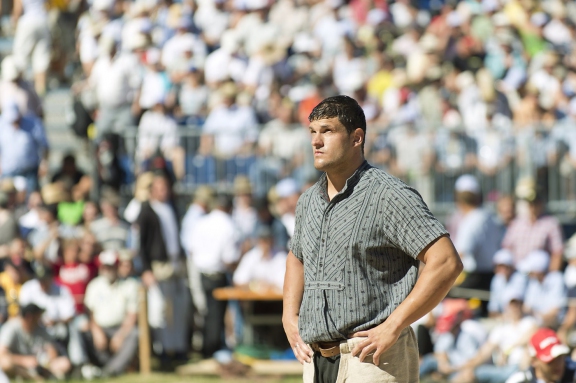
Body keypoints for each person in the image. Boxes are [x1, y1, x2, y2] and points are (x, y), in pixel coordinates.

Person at [283, 95, 463, 382]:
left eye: (327, 131)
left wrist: (393, 326)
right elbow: (296, 257)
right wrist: (289, 318)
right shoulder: (308, 200)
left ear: (357, 138)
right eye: (313, 132)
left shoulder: (388, 194)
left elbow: (446, 261)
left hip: (373, 358)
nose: (316, 142)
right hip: (316, 360)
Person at [137, 173, 189, 361]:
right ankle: (165, 350)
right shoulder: (146, 211)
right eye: (159, 188)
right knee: (163, 310)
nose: (163, 191)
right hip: (159, 265)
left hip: (176, 263)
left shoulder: (171, 208)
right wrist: (145, 269)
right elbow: (141, 245)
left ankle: (179, 347)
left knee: (179, 307)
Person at [189, 193, 240, 359]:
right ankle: (210, 350)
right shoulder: (229, 226)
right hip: (217, 274)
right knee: (215, 315)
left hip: (199, 273)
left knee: (205, 312)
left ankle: (207, 348)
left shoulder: (201, 222)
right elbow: (229, 259)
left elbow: (192, 248)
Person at [83, 250, 139, 377]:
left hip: (120, 327)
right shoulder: (94, 285)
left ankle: (110, 370)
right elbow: (89, 313)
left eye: (110, 266)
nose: (107, 270)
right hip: (100, 327)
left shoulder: (129, 285)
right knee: (85, 333)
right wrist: (96, 331)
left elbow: (132, 315)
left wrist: (121, 334)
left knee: (135, 333)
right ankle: (106, 368)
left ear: (117, 266)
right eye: (104, 266)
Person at [452, 174, 503, 291]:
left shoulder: (471, 220)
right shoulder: (489, 216)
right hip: (491, 274)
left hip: (475, 276)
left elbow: (461, 253)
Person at [502, 180, 564, 271]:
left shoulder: (551, 223)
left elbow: (557, 252)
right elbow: (507, 248)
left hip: (540, 274)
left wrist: (552, 274)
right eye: (530, 203)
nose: (532, 206)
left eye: (535, 202)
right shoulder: (516, 223)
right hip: (517, 271)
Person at [0, 303, 71, 380]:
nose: (40, 317)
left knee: (65, 363)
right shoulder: (12, 327)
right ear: (29, 317)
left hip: (38, 365)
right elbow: (2, 353)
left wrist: (45, 361)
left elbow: (52, 351)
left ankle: (37, 375)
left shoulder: (40, 328)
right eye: (38, 315)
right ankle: (33, 377)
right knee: (5, 363)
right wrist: (24, 360)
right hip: (18, 365)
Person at [0, 102, 49, 193]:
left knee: (30, 199)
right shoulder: (2, 125)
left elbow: (44, 145)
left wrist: (44, 163)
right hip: (8, 172)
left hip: (30, 172)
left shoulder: (33, 123)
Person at [506, 328, 576, 383]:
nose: (557, 364)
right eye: (550, 361)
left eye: (560, 358)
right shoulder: (520, 380)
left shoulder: (573, 373)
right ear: (534, 361)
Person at [233, 226, 287, 292]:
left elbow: (284, 283)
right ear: (258, 241)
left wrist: (267, 286)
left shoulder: (281, 257)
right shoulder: (250, 257)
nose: (265, 244)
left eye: (267, 240)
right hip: (254, 300)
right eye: (262, 240)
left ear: (273, 240)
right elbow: (238, 280)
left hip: (277, 300)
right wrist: (255, 285)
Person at [522, 250, 566, 328]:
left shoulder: (557, 279)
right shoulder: (533, 283)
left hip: (554, 324)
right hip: (538, 323)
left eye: (532, 270)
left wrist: (537, 316)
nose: (529, 273)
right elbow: (526, 308)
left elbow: (555, 311)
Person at [488, 249, 528, 317]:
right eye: (499, 266)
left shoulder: (520, 278)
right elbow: (493, 305)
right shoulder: (496, 279)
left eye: (504, 266)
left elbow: (515, 303)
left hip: (518, 317)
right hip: (502, 317)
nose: (502, 269)